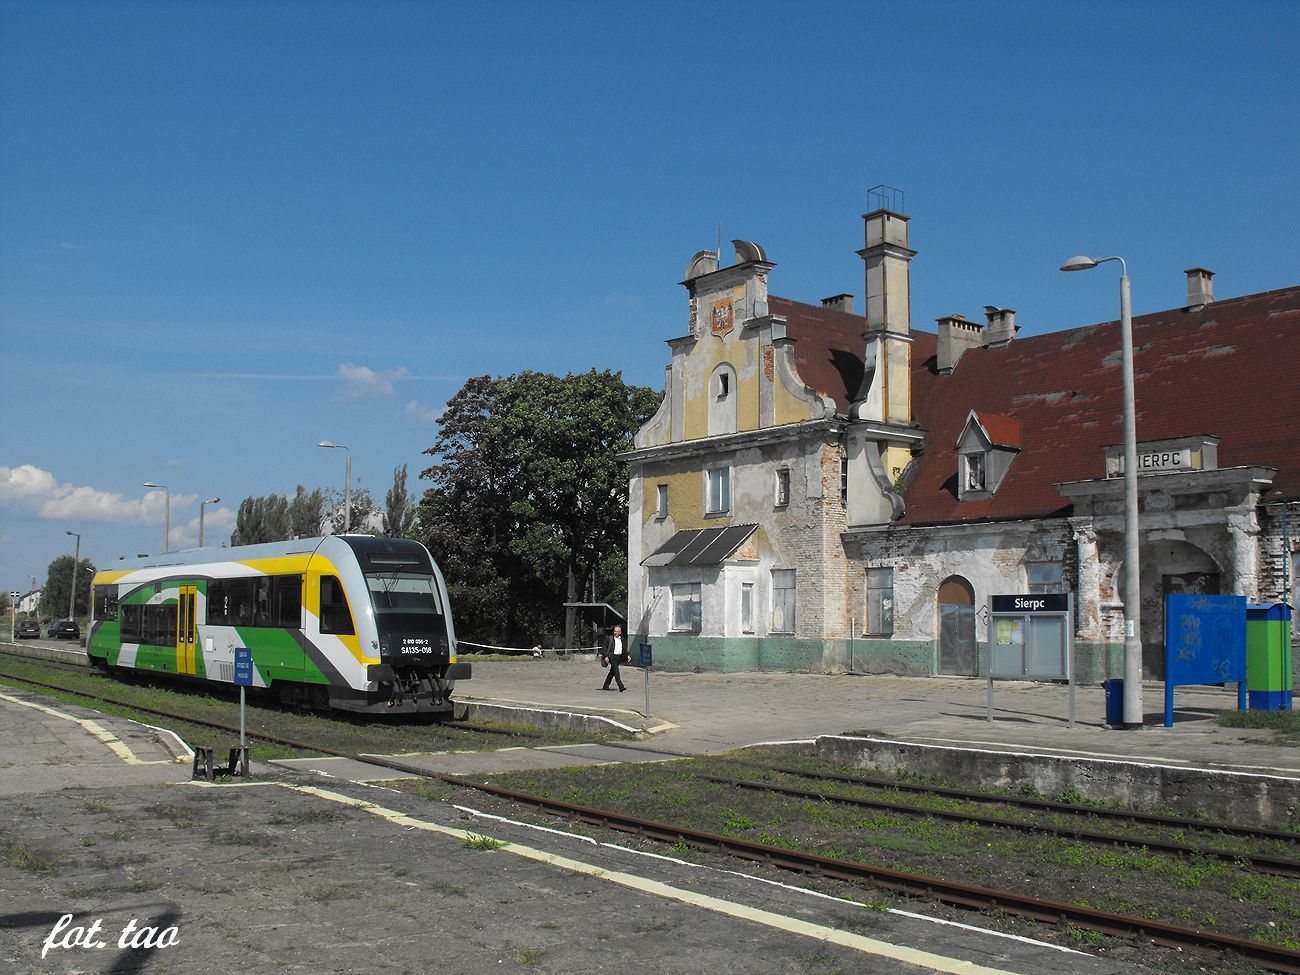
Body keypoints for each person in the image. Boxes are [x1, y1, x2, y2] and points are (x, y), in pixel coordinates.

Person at [600, 624, 627, 692]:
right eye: (615, 631)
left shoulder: (622, 639)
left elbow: (624, 649)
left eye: (617, 631)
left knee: (612, 672)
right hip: (612, 657)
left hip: (618, 657)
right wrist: (605, 656)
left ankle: (606, 685)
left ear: (620, 632)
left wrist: (628, 655)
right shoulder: (609, 638)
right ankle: (621, 686)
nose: (616, 633)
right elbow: (604, 648)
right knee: (616, 671)